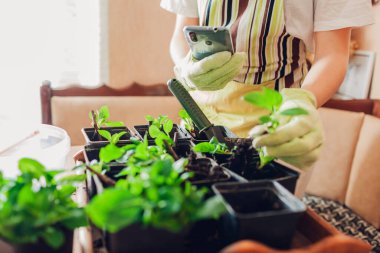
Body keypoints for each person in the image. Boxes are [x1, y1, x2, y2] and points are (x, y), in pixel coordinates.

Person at [161, 0, 373, 170]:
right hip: (199, 118)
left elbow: (333, 53)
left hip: (275, 125)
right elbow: (181, 35)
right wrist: (187, 67)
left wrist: (302, 100)